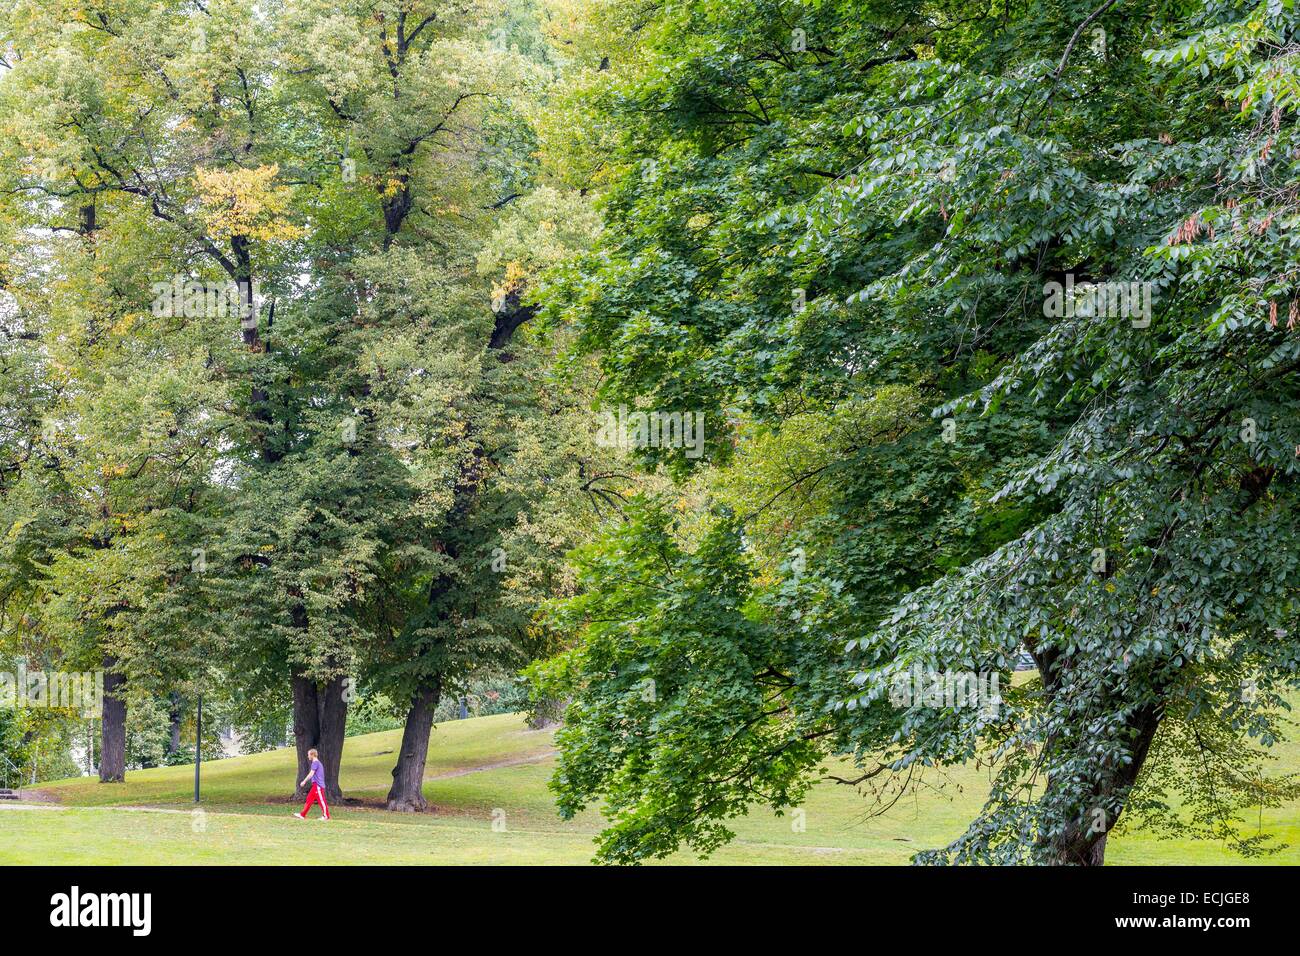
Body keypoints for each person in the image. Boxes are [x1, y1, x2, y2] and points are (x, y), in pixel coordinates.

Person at [294, 748, 331, 820]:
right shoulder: (317, 763)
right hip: (315, 786)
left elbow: (311, 774)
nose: (308, 756)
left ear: (312, 755)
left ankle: (326, 816)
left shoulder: (315, 763)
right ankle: (302, 815)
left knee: (321, 801)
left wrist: (304, 781)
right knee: (309, 799)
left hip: (318, 786)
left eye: (308, 755)